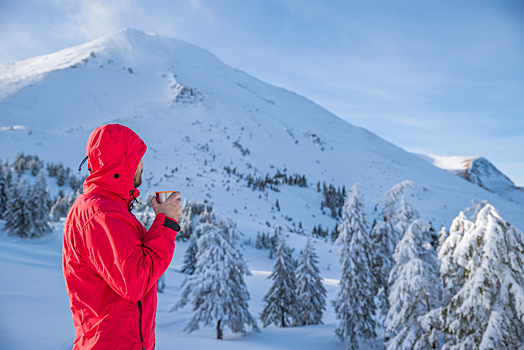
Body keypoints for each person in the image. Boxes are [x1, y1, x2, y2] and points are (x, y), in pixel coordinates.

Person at [62, 124, 182, 350]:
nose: (143, 165)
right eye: (138, 158)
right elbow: (136, 281)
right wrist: (166, 223)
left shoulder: (109, 210)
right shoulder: (101, 215)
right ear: (121, 163)